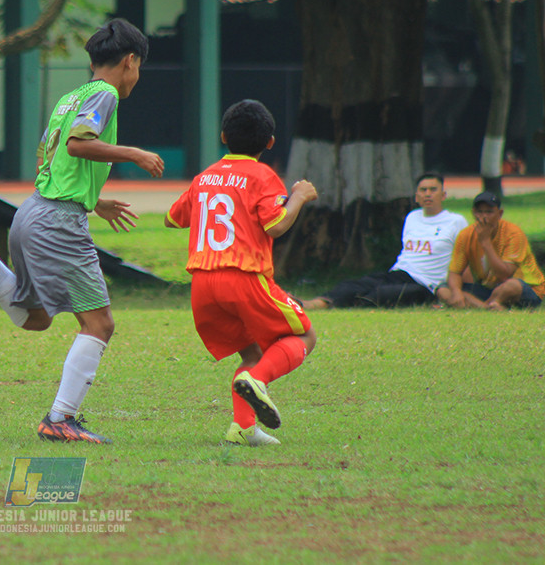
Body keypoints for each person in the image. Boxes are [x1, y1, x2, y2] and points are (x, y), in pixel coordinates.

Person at [0, 18, 164, 444]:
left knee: (35, 319)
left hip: (33, 212)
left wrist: (93, 201)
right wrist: (134, 153)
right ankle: (60, 418)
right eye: (139, 68)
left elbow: (53, 155)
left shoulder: (70, 97)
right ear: (130, 61)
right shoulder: (106, 93)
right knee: (99, 324)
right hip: (58, 222)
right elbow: (78, 144)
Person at [165, 99, 318, 447]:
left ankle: (243, 429)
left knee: (251, 353)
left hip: (203, 286)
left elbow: (172, 218)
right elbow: (276, 225)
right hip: (244, 278)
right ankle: (259, 381)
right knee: (305, 336)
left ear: (222, 136)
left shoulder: (205, 176)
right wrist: (298, 196)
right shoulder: (264, 176)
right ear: (270, 143)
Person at [301, 173, 467, 310]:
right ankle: (313, 304)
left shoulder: (455, 221)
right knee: (355, 285)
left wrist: (455, 290)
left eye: (433, 190)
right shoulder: (413, 217)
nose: (428, 194)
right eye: (423, 190)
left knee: (380, 295)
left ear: (443, 194)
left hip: (426, 284)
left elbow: (465, 259)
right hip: (399, 273)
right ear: (417, 196)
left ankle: (350, 304)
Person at [436, 191, 545, 310]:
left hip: (526, 289)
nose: (484, 217)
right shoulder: (466, 235)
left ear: (500, 213)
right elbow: (455, 272)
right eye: (480, 212)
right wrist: (457, 293)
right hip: (489, 288)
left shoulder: (513, 234)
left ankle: (479, 305)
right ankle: (490, 307)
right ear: (473, 213)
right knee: (443, 290)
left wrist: (486, 243)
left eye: (489, 212)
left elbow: (504, 275)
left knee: (512, 285)